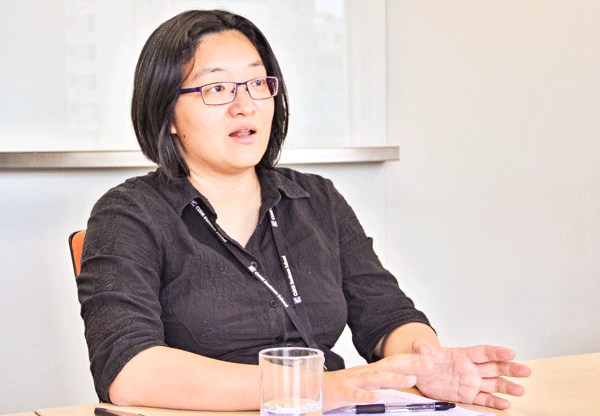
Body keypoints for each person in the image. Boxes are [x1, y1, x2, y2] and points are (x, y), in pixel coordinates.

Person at [76, 9, 530, 413]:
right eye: (217, 88)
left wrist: (424, 359)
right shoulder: (128, 215)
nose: (245, 105)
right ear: (168, 113)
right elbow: (129, 371)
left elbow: (386, 315)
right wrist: (315, 387)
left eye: (258, 83)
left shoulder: (315, 199)